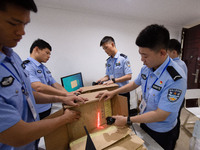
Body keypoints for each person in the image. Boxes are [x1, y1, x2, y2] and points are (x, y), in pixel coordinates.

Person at [0, 1, 87, 150]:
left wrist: (64, 97)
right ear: (37, 49)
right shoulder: (27, 64)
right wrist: (64, 119)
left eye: (25, 25)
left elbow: (29, 94)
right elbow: (18, 135)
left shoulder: (13, 58)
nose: (22, 32)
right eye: (14, 23)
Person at [96, 24, 187, 150]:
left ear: (162, 52)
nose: (141, 59)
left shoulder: (175, 78)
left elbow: (161, 114)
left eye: (145, 55)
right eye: (140, 54)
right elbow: (134, 84)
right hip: (144, 120)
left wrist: (127, 120)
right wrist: (113, 92)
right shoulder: (147, 67)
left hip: (162, 131)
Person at [23, 39, 82, 119]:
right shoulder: (27, 66)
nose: (49, 56)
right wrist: (65, 95)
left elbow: (54, 83)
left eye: (50, 54)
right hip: (37, 110)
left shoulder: (43, 67)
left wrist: (69, 95)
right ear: (36, 49)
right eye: (47, 53)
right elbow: (38, 87)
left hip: (48, 106)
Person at [96, 36, 136, 116]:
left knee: (124, 115)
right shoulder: (109, 61)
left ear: (112, 44)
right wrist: (101, 80)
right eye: (103, 49)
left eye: (106, 47)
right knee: (115, 115)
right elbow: (108, 76)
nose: (105, 51)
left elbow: (129, 76)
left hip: (123, 92)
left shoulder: (123, 58)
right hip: (112, 92)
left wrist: (114, 80)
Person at [167, 38, 188, 142]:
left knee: (175, 118)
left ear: (174, 52)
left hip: (177, 98)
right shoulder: (175, 63)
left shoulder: (179, 64)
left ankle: (174, 138)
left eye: (167, 52)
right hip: (175, 97)